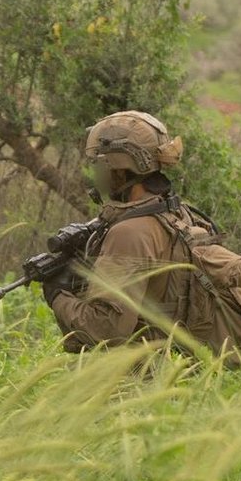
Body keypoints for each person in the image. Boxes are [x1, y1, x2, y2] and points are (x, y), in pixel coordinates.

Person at [43, 110, 188, 353]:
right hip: (180, 368)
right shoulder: (177, 212)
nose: (97, 174)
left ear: (120, 169)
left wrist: (57, 294)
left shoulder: (130, 233)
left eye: (101, 165)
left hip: (142, 380)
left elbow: (107, 331)